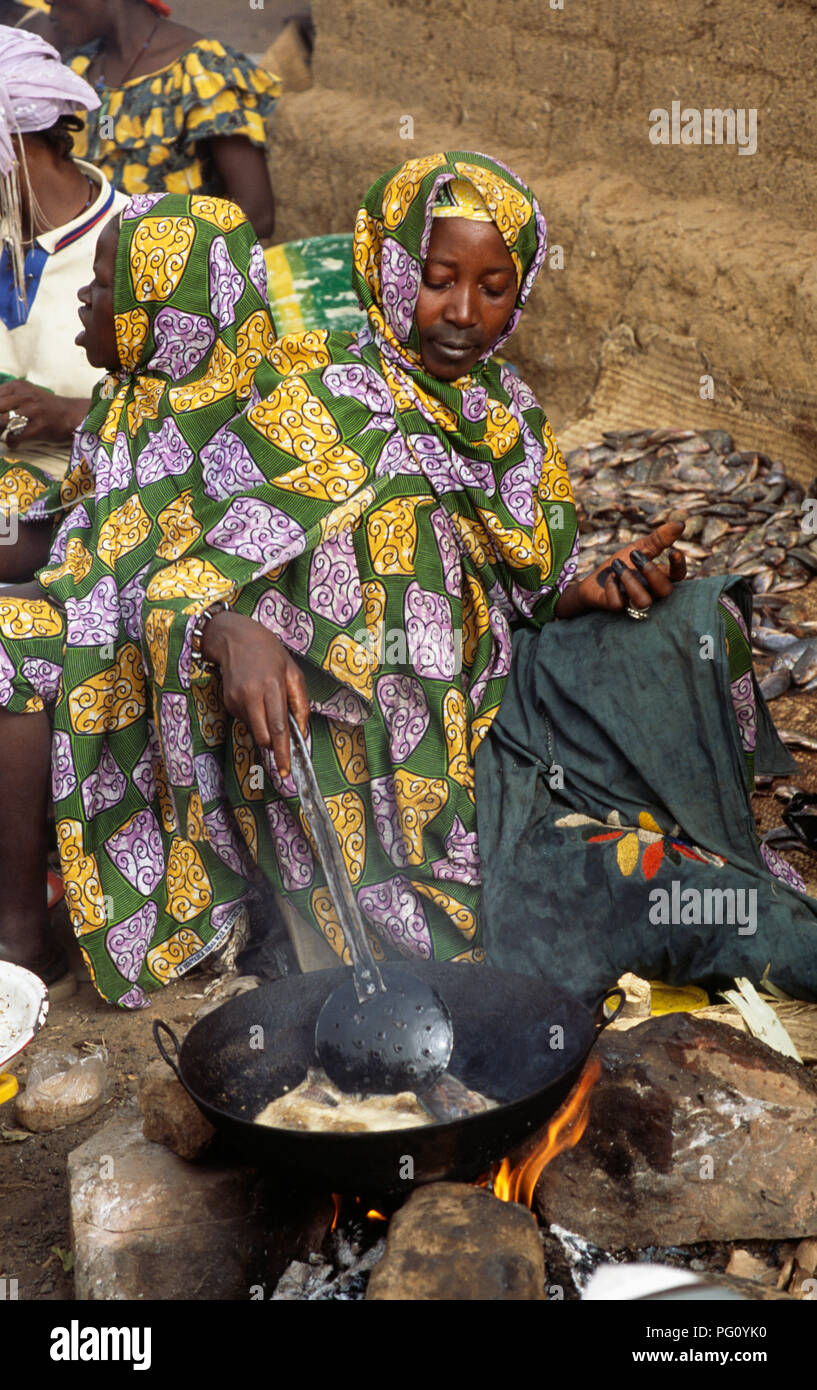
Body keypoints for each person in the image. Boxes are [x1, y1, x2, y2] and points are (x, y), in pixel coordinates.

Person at [139, 151, 817, 1009]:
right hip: (365, 765)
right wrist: (224, 628)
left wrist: (587, 589)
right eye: (435, 279)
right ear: (386, 267)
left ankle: (646, 841)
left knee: (691, 626)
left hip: (495, 699)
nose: (463, 313)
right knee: (634, 896)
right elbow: (163, 574)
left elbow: (521, 596)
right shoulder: (304, 396)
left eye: (494, 287)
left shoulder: (502, 413)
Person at [0, 191, 277, 998]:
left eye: (105, 285)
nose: (86, 298)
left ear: (169, 308)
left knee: (9, 646)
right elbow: (84, 527)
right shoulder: (133, 398)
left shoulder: (244, 415)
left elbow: (227, 574)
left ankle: (20, 930)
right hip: (99, 611)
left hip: (172, 647)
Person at [0, 25, 127, 490]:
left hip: (89, 508)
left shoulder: (141, 245)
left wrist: (75, 415)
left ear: (11, 148)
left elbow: (210, 404)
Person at [47, 0, 279, 239]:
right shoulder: (76, 70)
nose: (47, 5)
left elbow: (256, 215)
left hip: (172, 270)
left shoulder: (203, 71)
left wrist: (147, 247)